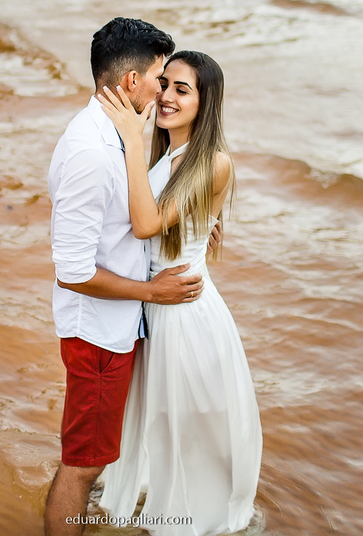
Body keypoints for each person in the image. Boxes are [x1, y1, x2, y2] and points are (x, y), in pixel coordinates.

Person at [44, 18, 208, 536]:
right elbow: (72, 271)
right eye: (161, 78)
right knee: (84, 464)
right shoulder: (94, 151)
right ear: (131, 82)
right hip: (97, 332)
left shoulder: (115, 136)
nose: (164, 91)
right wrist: (151, 292)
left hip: (111, 327)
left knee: (91, 456)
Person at [97, 50, 263, 536]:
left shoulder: (212, 161)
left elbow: (147, 222)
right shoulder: (167, 155)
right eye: (164, 84)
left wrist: (130, 137)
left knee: (189, 430)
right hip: (156, 305)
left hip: (186, 313)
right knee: (157, 424)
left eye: (181, 89)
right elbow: (152, 224)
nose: (166, 96)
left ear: (205, 101)